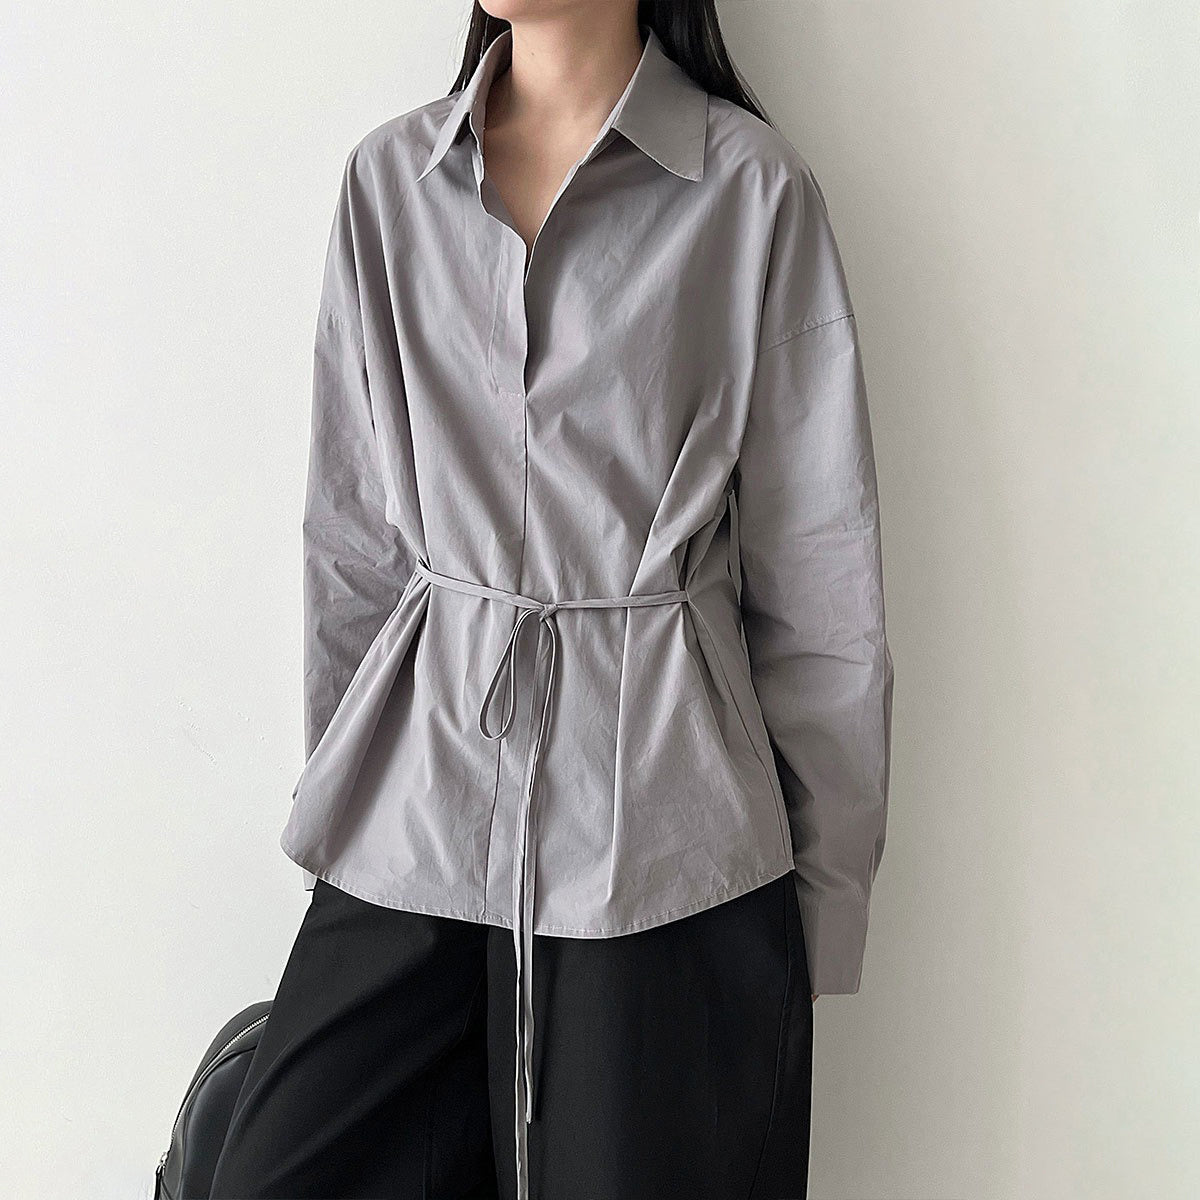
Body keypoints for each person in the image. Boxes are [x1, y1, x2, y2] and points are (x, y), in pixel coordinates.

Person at [209, 2, 893, 1198]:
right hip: (418, 810)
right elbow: (353, 542)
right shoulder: (391, 183)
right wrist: (340, 798)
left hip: (663, 833)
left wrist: (820, 909)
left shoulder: (749, 191)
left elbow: (821, 581)